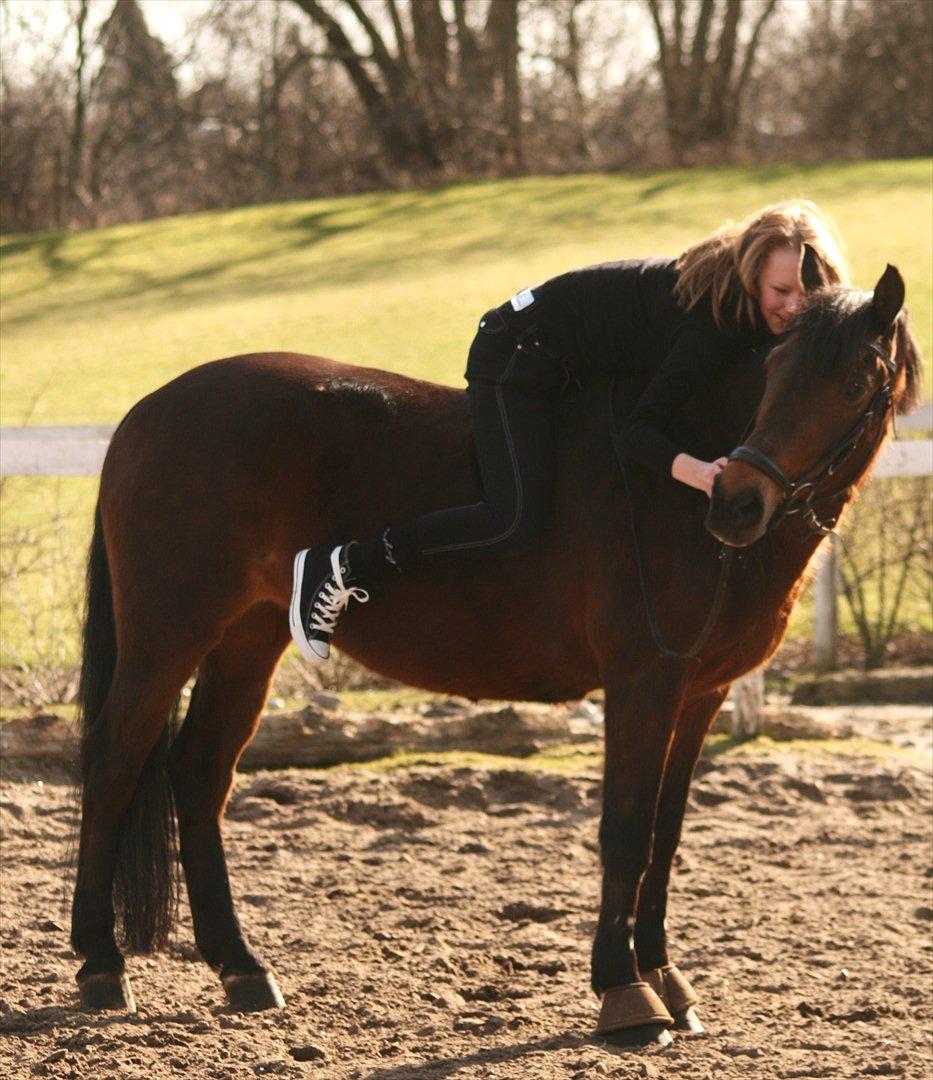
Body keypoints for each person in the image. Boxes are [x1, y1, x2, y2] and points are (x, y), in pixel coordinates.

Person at [289, 200, 849, 664]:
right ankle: (341, 565)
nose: (795, 308)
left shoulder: (741, 305)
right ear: (751, 273)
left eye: (808, 294)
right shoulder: (710, 325)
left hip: (577, 364)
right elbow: (640, 431)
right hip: (517, 354)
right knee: (511, 517)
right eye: (781, 292)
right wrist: (700, 472)